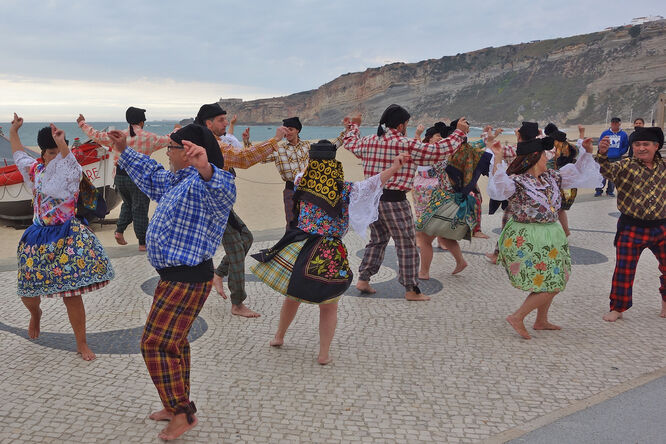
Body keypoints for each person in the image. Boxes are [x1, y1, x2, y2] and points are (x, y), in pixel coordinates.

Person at [107, 124, 236, 441]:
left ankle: (182, 414)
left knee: (154, 344)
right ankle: (174, 403)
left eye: (172, 147)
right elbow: (151, 174)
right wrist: (124, 148)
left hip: (188, 278)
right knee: (175, 342)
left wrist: (205, 165)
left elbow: (223, 189)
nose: (167, 152)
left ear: (187, 151)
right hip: (176, 277)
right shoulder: (177, 180)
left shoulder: (206, 183)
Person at [251, 140, 409, 364]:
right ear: (334, 161)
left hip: (300, 245)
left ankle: (279, 336)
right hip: (328, 250)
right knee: (329, 304)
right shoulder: (344, 189)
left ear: (312, 161)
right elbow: (372, 185)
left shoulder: (300, 181)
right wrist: (394, 168)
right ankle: (323, 354)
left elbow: (306, 172)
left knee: (292, 295)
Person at [10, 113, 115, 361]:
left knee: (71, 293)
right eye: (51, 152)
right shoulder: (34, 170)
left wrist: (63, 144)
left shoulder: (69, 172)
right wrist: (14, 131)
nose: (55, 157)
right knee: (27, 291)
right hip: (37, 236)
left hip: (66, 234)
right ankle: (35, 313)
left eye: (58, 151)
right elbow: (17, 153)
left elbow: (70, 163)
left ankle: (82, 343)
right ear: (42, 154)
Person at [487, 122, 602, 339]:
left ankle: (541, 320)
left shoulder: (552, 178)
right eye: (543, 155)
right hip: (528, 235)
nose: (548, 158)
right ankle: (518, 316)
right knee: (553, 281)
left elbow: (580, 173)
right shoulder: (517, 182)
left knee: (549, 277)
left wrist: (587, 152)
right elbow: (498, 188)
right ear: (534, 157)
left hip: (551, 233)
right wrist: (499, 159)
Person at [343, 104, 469, 301]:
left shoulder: (367, 141)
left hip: (374, 201)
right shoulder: (406, 144)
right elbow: (438, 150)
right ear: (401, 125)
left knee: (377, 240)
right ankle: (411, 289)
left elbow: (350, 142)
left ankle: (364, 279)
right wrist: (459, 133)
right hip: (395, 201)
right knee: (407, 244)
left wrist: (354, 126)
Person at [194, 103, 287, 317]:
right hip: (211, 207)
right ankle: (237, 303)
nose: (226, 123)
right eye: (221, 120)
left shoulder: (209, 140)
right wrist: (275, 139)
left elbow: (241, 154)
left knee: (246, 237)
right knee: (236, 248)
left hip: (221, 205)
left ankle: (218, 274)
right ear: (208, 123)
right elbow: (244, 159)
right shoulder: (211, 145)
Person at [594, 127, 666, 322]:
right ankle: (618, 308)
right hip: (631, 227)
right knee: (624, 269)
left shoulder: (664, 166)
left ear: (656, 146)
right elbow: (606, 170)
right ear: (632, 147)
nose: (641, 148)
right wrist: (602, 154)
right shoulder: (625, 166)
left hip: (661, 227)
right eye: (637, 145)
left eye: (645, 144)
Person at [77, 107, 174, 250]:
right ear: (142, 122)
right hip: (140, 178)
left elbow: (96, 135)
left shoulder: (118, 135)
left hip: (120, 178)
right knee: (140, 209)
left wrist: (82, 123)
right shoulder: (149, 137)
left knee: (128, 204)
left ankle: (119, 231)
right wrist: (177, 130)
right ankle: (142, 243)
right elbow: (168, 139)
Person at [414, 121, 494, 278]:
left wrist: (418, 136)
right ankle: (460, 262)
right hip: (456, 199)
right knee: (444, 235)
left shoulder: (447, 156)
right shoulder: (467, 152)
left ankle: (423, 272)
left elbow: (428, 167)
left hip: (444, 200)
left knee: (424, 236)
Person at [261, 116, 345, 227]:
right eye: (285, 130)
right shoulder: (278, 149)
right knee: (292, 223)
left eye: (290, 129)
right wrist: (247, 141)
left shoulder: (308, 146)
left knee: (311, 222)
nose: (287, 133)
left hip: (310, 190)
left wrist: (345, 133)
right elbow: (260, 157)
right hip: (290, 190)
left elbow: (330, 147)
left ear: (298, 130)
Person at [544, 123, 580, 236]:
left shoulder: (556, 154)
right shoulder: (574, 148)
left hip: (559, 186)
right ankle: (565, 231)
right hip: (571, 187)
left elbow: (547, 167)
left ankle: (557, 231)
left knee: (553, 208)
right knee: (560, 209)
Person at [595, 117, 629, 197]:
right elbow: (600, 144)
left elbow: (626, 145)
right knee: (602, 174)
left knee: (614, 175)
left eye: (616, 123)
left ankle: (610, 191)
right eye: (613, 122)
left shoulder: (623, 134)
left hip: (617, 158)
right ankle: (598, 190)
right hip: (605, 157)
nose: (614, 124)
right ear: (611, 123)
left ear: (619, 124)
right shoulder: (605, 133)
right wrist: (602, 153)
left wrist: (620, 153)